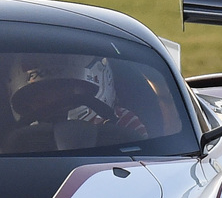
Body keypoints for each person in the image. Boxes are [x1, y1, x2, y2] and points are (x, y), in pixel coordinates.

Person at [8, 55, 149, 140]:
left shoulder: (122, 122)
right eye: (40, 98)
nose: (52, 103)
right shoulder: (21, 139)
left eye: (63, 93)